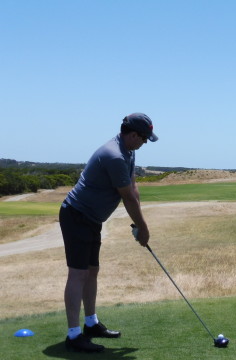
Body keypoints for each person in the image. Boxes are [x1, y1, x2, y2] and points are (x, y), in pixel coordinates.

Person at [59, 113, 158, 352]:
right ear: (133, 135)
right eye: (143, 139)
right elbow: (126, 198)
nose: (144, 143)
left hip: (92, 219)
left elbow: (133, 188)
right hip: (77, 216)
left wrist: (139, 225)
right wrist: (143, 228)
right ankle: (73, 336)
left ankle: (90, 323)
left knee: (92, 271)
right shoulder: (114, 155)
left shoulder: (128, 151)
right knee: (78, 274)